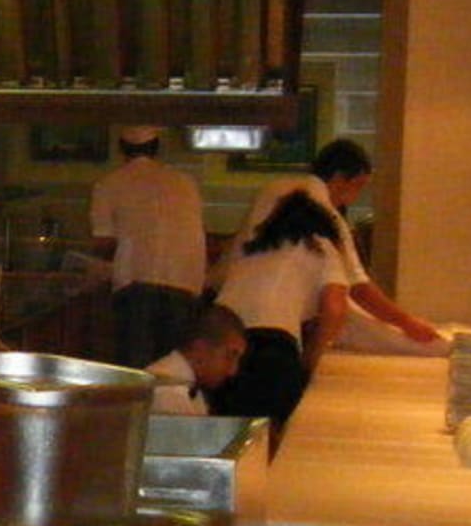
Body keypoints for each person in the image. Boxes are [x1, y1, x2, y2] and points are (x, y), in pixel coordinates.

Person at [219, 138, 441, 345]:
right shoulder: (325, 216)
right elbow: (358, 290)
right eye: (358, 186)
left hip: (226, 313)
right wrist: (407, 323)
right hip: (275, 329)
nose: (354, 197)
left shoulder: (272, 189)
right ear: (339, 178)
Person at [211, 189, 350, 427]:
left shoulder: (252, 249)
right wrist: (311, 360)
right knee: (270, 436)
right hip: (273, 346)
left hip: (222, 345)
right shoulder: (319, 246)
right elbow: (335, 308)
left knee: (230, 433)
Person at [88, 124, 209, 367]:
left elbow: (103, 243)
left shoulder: (109, 183)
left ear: (121, 148)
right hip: (184, 285)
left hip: (136, 287)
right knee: (173, 371)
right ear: (157, 147)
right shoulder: (185, 182)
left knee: (137, 371)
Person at [147, 301, 249, 416]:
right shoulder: (167, 391)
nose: (233, 371)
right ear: (200, 349)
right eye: (229, 356)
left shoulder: (189, 388)